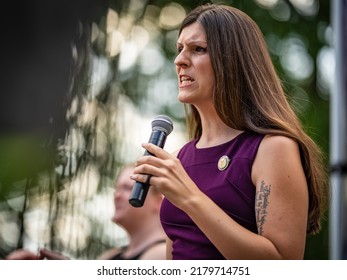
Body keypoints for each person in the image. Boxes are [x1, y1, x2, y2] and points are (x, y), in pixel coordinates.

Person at [130, 4, 329, 260]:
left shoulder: (273, 148)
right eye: (179, 49)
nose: (179, 60)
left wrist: (190, 197)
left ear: (232, 60)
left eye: (198, 49)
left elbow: (283, 265)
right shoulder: (179, 158)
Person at [5, 165, 166, 260]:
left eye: (128, 188)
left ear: (159, 201)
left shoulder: (164, 255)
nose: (116, 195)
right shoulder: (112, 255)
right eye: (116, 188)